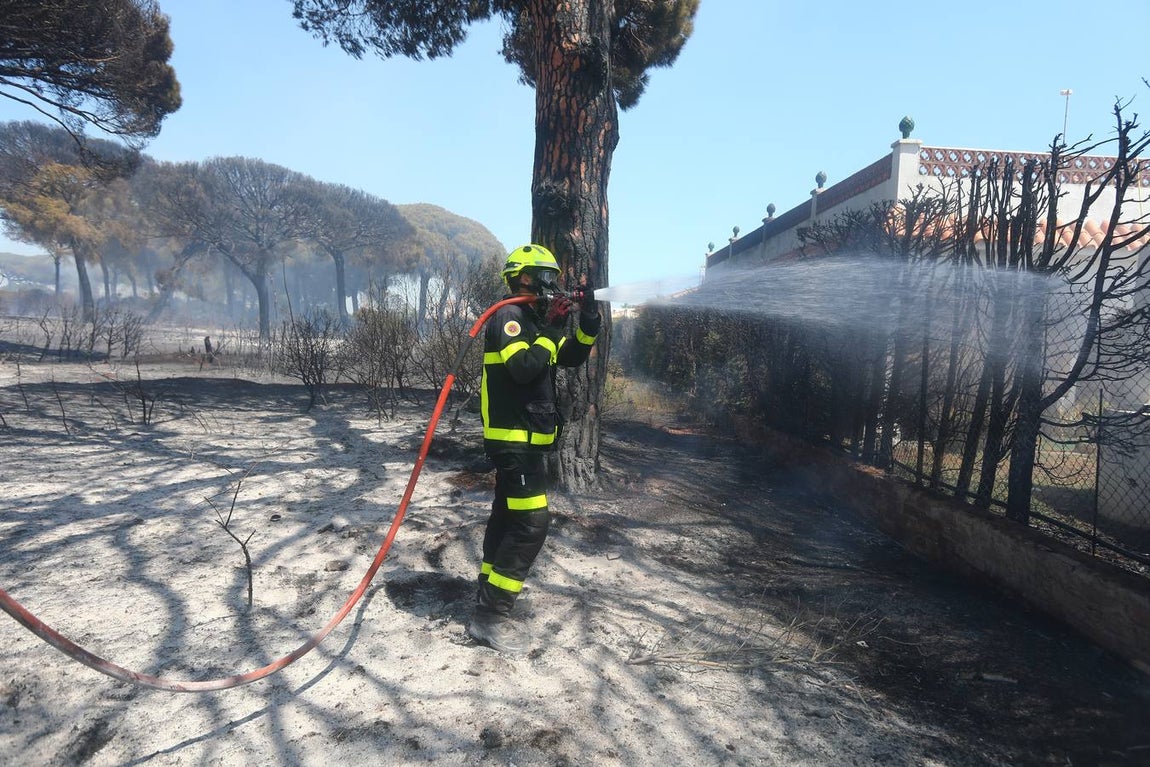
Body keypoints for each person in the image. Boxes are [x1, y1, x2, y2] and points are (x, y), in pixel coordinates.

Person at [467, 243, 602, 653]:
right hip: (514, 442)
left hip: (526, 443)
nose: (555, 284)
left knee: (508, 518)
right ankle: (491, 616)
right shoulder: (509, 317)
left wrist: (589, 320)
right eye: (549, 277)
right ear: (525, 277)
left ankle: (487, 594)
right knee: (530, 525)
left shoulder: (531, 321)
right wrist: (552, 330)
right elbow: (523, 369)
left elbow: (572, 356)